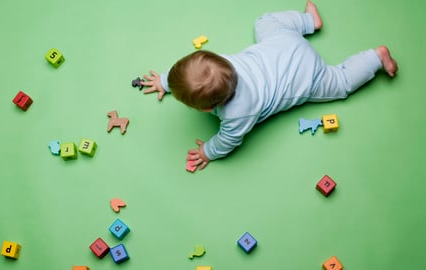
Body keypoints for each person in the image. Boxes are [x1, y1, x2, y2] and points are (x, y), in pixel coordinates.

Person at [140, 0, 398, 171]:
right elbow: (193, 74)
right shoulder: (221, 64)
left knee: (341, 83)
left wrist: (208, 152)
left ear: (208, 110)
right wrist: (166, 81)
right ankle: (308, 22)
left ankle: (375, 58)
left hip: (307, 77)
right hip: (285, 43)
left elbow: (228, 141)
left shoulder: (238, 114)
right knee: (264, 22)